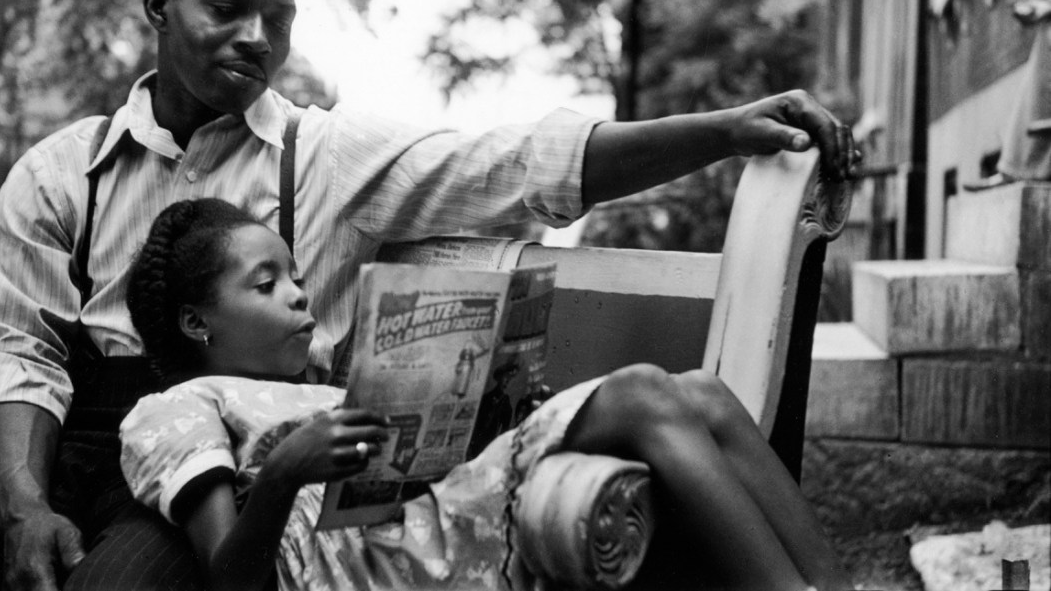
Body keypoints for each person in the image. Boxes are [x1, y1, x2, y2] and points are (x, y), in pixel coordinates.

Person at [0, 0, 858, 591]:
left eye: (278, 19)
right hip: (71, 437)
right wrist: (23, 502)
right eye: (226, 8)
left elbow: (519, 162)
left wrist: (724, 130)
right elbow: (11, 353)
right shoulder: (62, 171)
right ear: (160, 6)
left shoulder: (325, 154)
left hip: (231, 472)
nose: (256, 39)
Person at [120, 197, 852, 591]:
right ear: (196, 321)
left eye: (296, 276)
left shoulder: (315, 389)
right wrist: (284, 470)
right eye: (265, 284)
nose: (298, 295)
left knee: (704, 393)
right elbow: (228, 579)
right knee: (642, 392)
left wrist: (492, 404)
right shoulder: (174, 410)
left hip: (444, 506)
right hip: (382, 565)